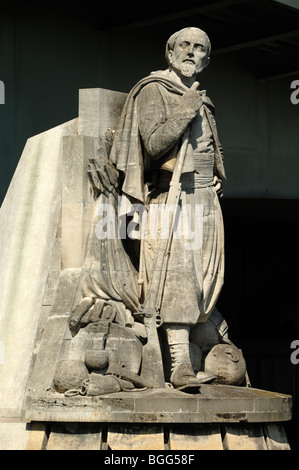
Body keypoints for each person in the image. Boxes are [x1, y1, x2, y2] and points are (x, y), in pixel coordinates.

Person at [110, 27, 226, 389]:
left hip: (206, 197)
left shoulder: (202, 100)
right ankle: (179, 364)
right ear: (170, 51)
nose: (192, 53)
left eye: (200, 49)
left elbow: (212, 147)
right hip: (173, 197)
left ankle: (191, 352)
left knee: (206, 279)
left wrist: (218, 174)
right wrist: (185, 109)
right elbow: (155, 143)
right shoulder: (154, 90)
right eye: (185, 46)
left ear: (207, 58)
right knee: (177, 275)